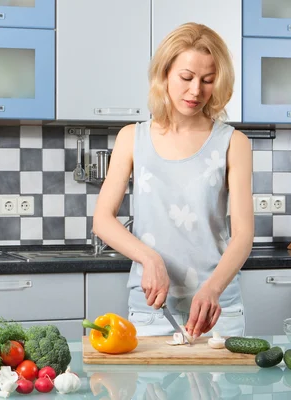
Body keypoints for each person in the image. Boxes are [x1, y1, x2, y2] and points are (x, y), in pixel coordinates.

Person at [92, 22, 254, 339]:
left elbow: (244, 235)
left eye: (208, 81)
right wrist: (150, 259)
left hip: (217, 310)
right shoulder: (131, 138)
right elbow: (102, 220)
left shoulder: (234, 143)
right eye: (186, 77)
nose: (196, 91)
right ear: (164, 74)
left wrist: (213, 289)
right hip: (151, 311)